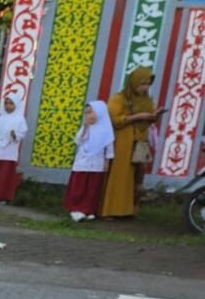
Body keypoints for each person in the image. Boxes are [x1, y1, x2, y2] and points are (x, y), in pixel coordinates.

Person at [101, 66, 166, 218]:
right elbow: (114, 120)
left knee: (135, 178)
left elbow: (148, 120)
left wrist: (154, 116)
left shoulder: (147, 101)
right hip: (122, 142)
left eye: (147, 84)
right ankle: (110, 211)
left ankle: (128, 211)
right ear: (134, 82)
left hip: (140, 143)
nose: (144, 87)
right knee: (119, 175)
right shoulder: (119, 98)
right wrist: (136, 117)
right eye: (142, 83)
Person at [63, 100, 115, 223]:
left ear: (100, 113)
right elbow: (78, 141)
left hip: (97, 164)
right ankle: (75, 209)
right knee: (79, 186)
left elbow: (109, 147)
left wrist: (107, 161)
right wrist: (85, 127)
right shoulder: (86, 127)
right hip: (82, 163)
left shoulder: (106, 129)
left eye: (91, 112)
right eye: (86, 113)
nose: (88, 115)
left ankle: (88, 209)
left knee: (92, 188)